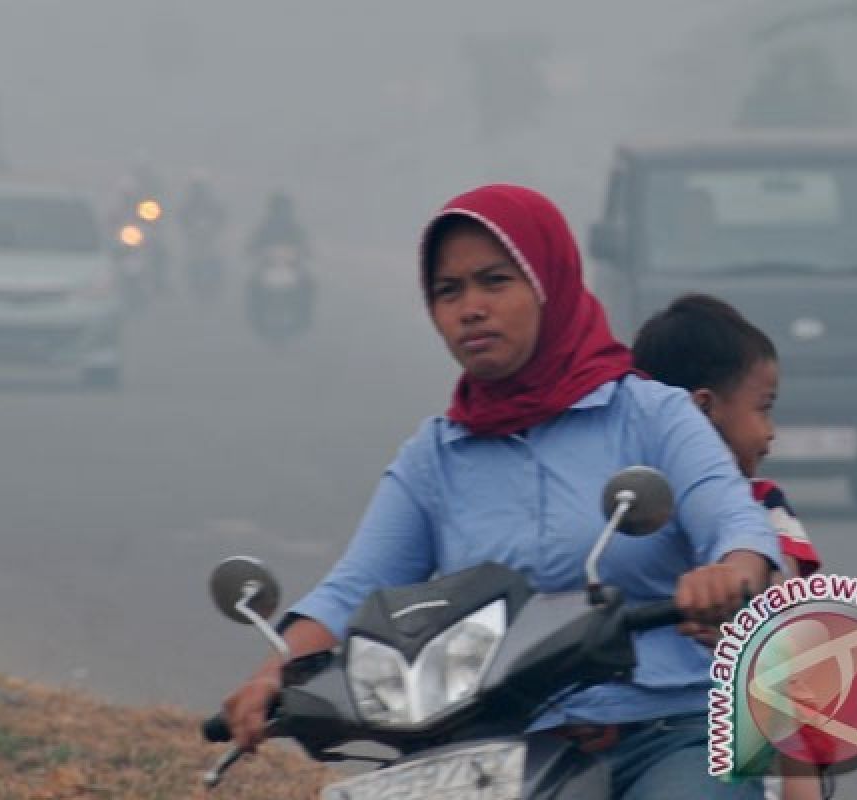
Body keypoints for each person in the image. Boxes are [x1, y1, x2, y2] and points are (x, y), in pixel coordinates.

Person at [223, 184, 782, 799]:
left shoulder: (652, 415)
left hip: (671, 731)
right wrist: (275, 672)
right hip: (498, 750)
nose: (471, 308)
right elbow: (355, 587)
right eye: (448, 290)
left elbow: (736, 520)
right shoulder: (435, 457)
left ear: (550, 285)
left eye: (495, 281)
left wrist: (729, 573)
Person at [632, 293, 826, 800]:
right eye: (762, 409)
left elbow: (790, 649)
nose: (771, 433)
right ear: (700, 411)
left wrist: (798, 786)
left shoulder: (762, 512)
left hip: (736, 744)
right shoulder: (623, 518)